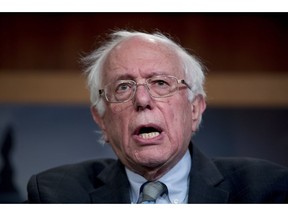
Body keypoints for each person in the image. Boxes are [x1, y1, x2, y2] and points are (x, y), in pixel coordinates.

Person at [26, 30, 288, 203]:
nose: (142, 100)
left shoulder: (266, 190)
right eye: (123, 87)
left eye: (161, 83)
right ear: (101, 120)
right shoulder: (55, 196)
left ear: (194, 109)